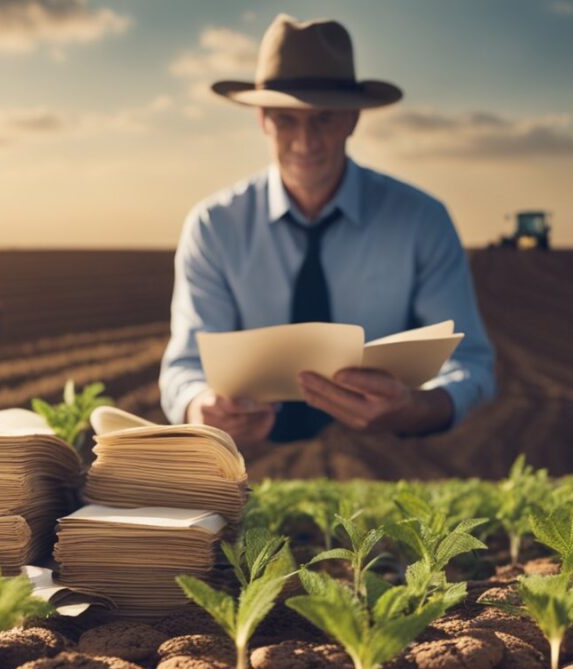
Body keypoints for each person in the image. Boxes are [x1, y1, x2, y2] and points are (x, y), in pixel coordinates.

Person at [159, 14, 495, 446]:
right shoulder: (214, 227)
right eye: (286, 120)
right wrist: (201, 404)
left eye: (324, 119)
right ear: (262, 118)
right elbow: (184, 368)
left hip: (392, 459)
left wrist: (419, 409)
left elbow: (470, 363)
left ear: (353, 119)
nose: (305, 141)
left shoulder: (422, 221)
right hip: (249, 459)